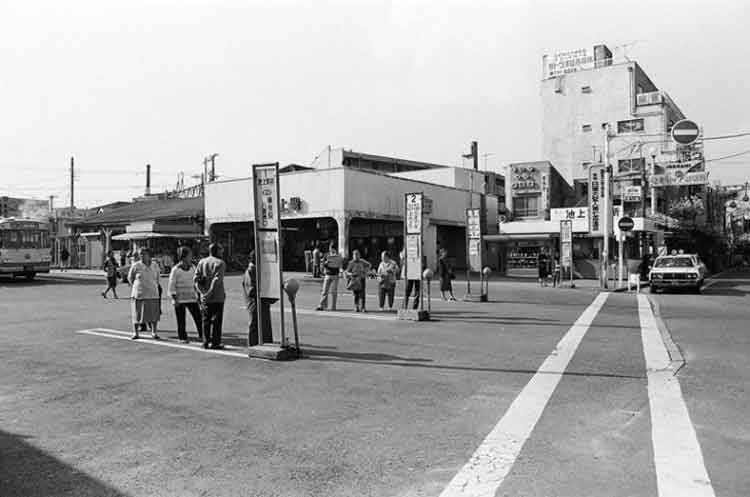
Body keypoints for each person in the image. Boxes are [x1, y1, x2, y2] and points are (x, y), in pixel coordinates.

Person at [194, 243, 226, 350]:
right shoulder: (220, 263)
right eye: (221, 250)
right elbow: (217, 280)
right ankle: (215, 343)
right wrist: (209, 293)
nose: (222, 252)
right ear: (216, 251)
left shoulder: (202, 262)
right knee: (217, 321)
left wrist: (203, 294)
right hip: (217, 296)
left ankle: (205, 342)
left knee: (205, 319)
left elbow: (196, 280)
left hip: (204, 297)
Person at [168, 246, 202, 344]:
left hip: (192, 297)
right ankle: (182, 337)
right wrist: (174, 299)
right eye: (189, 255)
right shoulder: (176, 269)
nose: (191, 257)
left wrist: (198, 296)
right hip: (180, 299)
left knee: (198, 317)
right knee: (181, 319)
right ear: (184, 256)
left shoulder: (193, 267)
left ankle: (202, 335)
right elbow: (172, 285)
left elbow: (196, 282)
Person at [242, 251, 275, 346]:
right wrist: (264, 293)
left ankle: (264, 344)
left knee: (264, 325)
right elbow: (251, 291)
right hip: (255, 303)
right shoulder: (251, 270)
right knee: (255, 325)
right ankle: (253, 345)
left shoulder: (255, 269)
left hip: (261, 302)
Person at [127, 248, 161, 340]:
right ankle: (136, 332)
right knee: (136, 314)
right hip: (139, 294)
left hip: (153, 293)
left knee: (154, 314)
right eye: (140, 254)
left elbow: (157, 278)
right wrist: (136, 286)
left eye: (144, 254)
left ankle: (154, 332)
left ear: (149, 255)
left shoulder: (155, 265)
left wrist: (154, 285)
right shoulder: (136, 265)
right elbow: (130, 278)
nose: (142, 256)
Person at [316, 245, 343, 311]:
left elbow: (340, 265)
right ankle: (322, 305)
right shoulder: (327, 255)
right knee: (324, 291)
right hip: (328, 274)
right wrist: (326, 263)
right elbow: (323, 264)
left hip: (335, 275)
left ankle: (333, 306)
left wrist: (341, 270)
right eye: (331, 249)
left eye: (333, 249)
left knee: (334, 291)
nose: (332, 250)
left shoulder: (339, 256)